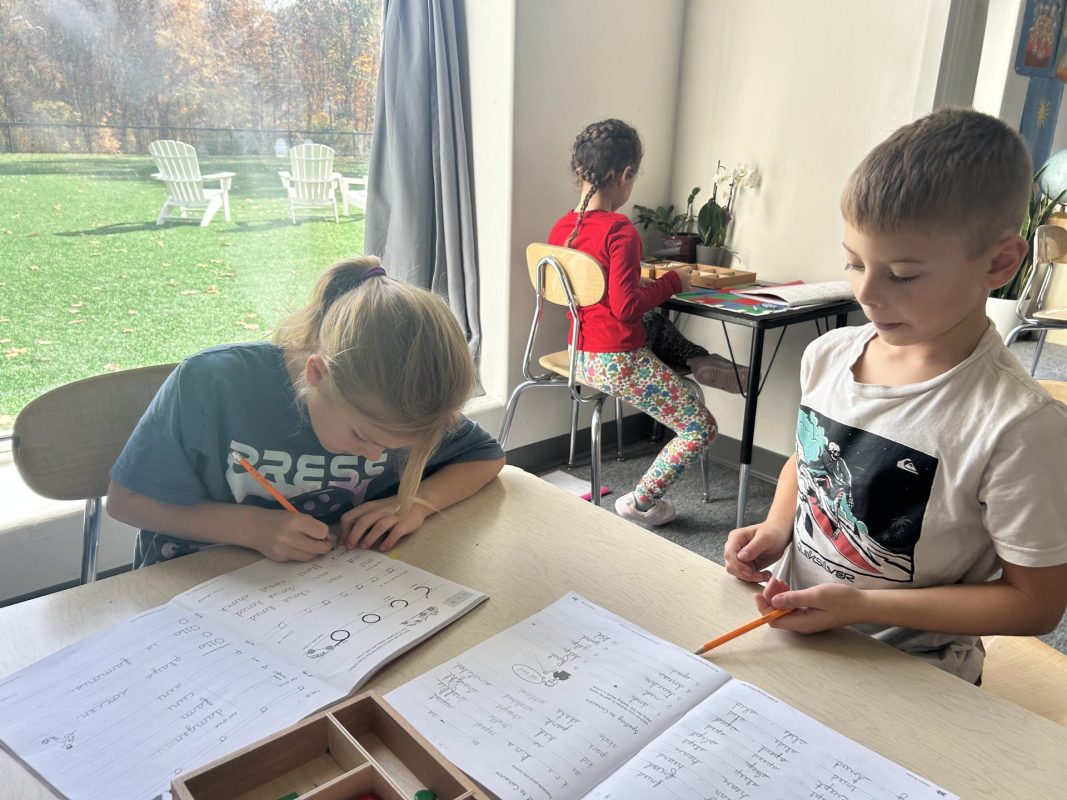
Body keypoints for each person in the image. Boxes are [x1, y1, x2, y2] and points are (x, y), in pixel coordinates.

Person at [723, 108, 1067, 683]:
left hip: (911, 669)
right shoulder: (828, 355)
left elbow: (1036, 604)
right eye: (854, 262)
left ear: (1000, 262)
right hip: (792, 632)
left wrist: (863, 606)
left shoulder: (1019, 426)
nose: (867, 293)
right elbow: (807, 462)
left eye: (903, 274)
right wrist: (777, 527)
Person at [107, 257, 505, 566]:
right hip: (192, 584)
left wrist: (416, 502)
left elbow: (486, 457)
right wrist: (251, 527)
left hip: (328, 588)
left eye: (397, 447)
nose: (375, 456)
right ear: (318, 374)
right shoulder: (213, 384)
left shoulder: (407, 405)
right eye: (363, 437)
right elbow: (126, 500)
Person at [548, 118, 728, 526]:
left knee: (657, 326)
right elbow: (625, 309)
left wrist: (638, 283)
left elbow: (599, 293)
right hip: (618, 361)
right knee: (700, 428)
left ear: (579, 171)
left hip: (581, 354)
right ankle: (641, 502)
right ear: (625, 174)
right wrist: (673, 281)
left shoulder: (562, 228)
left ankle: (698, 360)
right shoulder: (619, 230)